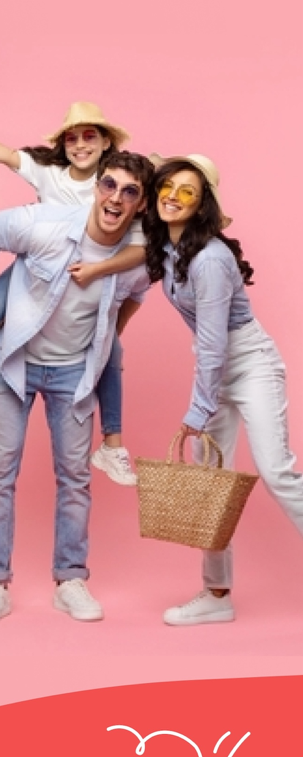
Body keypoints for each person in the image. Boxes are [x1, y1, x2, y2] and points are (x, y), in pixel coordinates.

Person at [0, 150, 153, 629]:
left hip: (74, 375)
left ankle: (70, 580)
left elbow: (131, 298)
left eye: (129, 191)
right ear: (97, 185)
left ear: (141, 203)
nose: (115, 198)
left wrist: (108, 338)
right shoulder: (46, 224)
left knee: (75, 478)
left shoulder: (135, 259)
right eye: (109, 185)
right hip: (14, 364)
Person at [0, 101, 146, 485]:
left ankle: (112, 444)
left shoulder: (121, 186)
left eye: (90, 135)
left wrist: (97, 270)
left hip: (83, 280)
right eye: (71, 137)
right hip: (38, 270)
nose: (80, 144)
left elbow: (144, 247)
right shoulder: (50, 172)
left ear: (107, 142)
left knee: (111, 351)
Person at [144, 153, 303, 625]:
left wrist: (197, 411)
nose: (173, 197)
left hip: (247, 363)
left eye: (186, 192)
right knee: (210, 482)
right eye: (166, 188)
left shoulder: (210, 260)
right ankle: (216, 595)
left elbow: (214, 345)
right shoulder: (167, 246)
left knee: (277, 473)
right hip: (212, 369)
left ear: (203, 203)